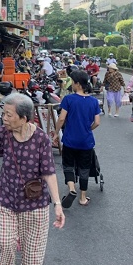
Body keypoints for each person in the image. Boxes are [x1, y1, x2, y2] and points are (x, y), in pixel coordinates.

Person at [0, 93, 64, 265]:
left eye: (8, 114)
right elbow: (2, 157)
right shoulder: (2, 133)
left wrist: (58, 204)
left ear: (24, 118)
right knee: (5, 240)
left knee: (33, 246)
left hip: (35, 202)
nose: (4, 118)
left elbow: (49, 173)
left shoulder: (41, 139)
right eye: (3, 113)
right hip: (6, 196)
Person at [53, 70, 100, 207]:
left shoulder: (69, 99)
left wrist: (56, 133)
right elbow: (97, 122)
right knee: (84, 168)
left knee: (68, 165)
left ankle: (72, 189)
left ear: (78, 84)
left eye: (73, 82)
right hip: (86, 141)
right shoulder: (93, 101)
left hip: (70, 140)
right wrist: (87, 129)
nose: (71, 84)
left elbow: (61, 118)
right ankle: (83, 198)